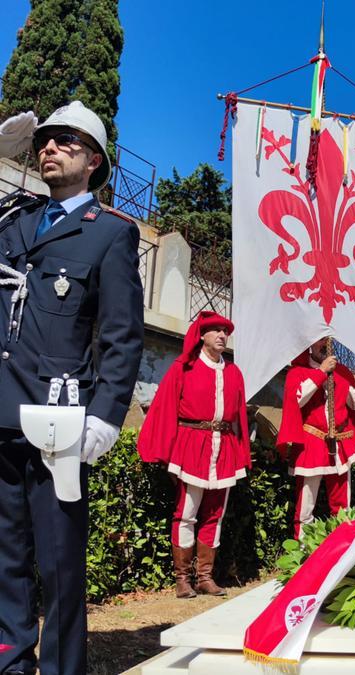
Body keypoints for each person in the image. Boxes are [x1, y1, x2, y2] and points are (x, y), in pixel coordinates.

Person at [0, 102, 143, 674]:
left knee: (59, 561)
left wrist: (107, 413)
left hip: (59, 419)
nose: (49, 149)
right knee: (6, 553)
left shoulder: (110, 235)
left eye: (65, 142)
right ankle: (10, 659)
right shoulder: (11, 220)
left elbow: (121, 334)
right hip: (3, 408)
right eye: (45, 141)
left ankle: (62, 668)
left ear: (93, 162)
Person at [138, 311, 252, 599]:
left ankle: (205, 577)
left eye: (225, 332)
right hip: (193, 443)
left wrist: (240, 452)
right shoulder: (184, 367)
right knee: (186, 513)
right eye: (215, 331)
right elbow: (164, 409)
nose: (222, 336)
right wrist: (165, 448)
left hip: (223, 445)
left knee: (215, 514)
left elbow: (239, 418)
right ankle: (182, 578)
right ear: (202, 335)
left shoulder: (234, 372)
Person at [277, 337, 355, 538]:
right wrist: (321, 373)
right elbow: (298, 399)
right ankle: (301, 556)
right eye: (320, 341)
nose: (325, 345)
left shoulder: (342, 374)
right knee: (305, 509)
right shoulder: (298, 372)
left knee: (341, 509)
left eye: (328, 341)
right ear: (309, 345)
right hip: (311, 443)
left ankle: (340, 551)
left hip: (338, 446)